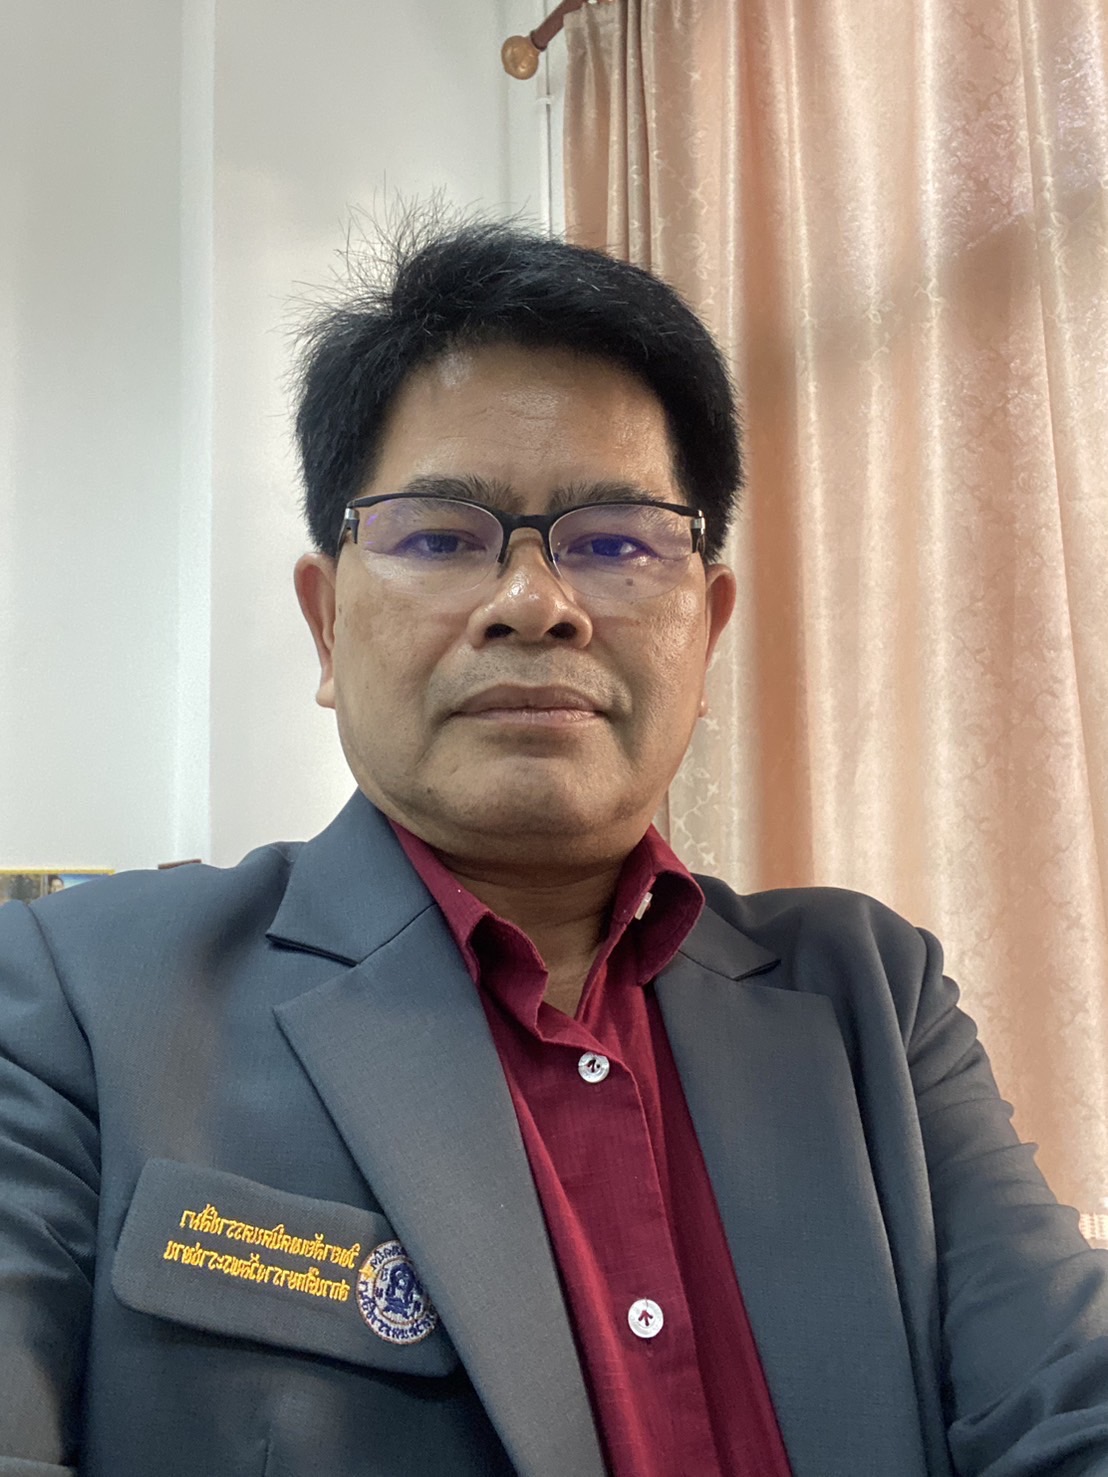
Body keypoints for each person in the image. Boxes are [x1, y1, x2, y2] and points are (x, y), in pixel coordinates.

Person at [1, 220, 1105, 1477]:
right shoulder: (70, 1000)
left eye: (618, 541)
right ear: (326, 625)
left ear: (707, 632)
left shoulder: (872, 1003)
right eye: (439, 536)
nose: (535, 602)